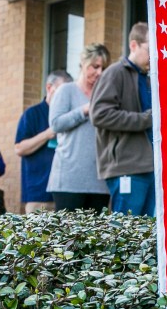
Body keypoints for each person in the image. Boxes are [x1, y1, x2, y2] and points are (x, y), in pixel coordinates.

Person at [91, 23, 156, 217]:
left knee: (144, 234)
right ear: (134, 45)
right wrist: (146, 119)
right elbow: (99, 114)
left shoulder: (149, 78)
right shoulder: (114, 73)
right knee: (125, 233)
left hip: (150, 167)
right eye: (150, 50)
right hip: (126, 168)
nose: (154, 56)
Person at [47, 45, 111, 211]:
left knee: (96, 236)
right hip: (69, 180)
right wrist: (84, 110)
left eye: (103, 68)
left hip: (100, 181)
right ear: (83, 63)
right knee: (68, 236)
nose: (99, 73)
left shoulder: (105, 94)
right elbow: (55, 124)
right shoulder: (66, 90)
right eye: (95, 66)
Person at [15, 70, 72, 213]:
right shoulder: (32, 114)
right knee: (38, 235)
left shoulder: (71, 115)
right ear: (49, 87)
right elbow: (19, 148)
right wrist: (48, 133)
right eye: (61, 91)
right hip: (39, 192)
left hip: (68, 190)